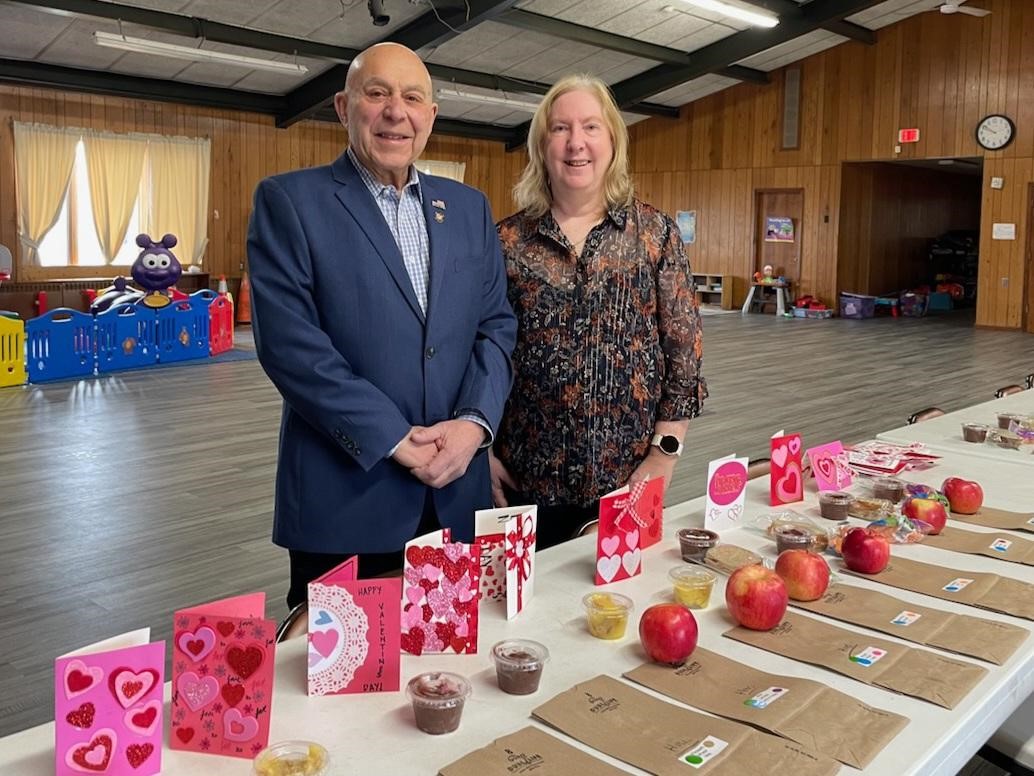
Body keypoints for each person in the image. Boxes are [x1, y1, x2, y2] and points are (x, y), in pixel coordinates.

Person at [247, 42, 517, 608]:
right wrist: (393, 438)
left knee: (449, 656)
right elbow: (292, 348)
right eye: (377, 93)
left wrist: (474, 425)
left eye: (412, 98)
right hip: (346, 500)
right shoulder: (289, 201)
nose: (397, 111)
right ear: (344, 107)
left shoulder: (468, 208)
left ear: (431, 116)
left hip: (455, 494)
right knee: (346, 662)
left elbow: (495, 327)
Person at [492, 74, 708, 550]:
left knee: (622, 597)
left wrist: (665, 454)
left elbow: (684, 354)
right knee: (528, 599)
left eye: (591, 127)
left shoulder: (654, 234)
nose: (576, 143)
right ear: (541, 145)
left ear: (612, 141)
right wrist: (481, 450)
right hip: (522, 485)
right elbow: (477, 351)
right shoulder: (505, 242)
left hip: (630, 481)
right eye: (560, 128)